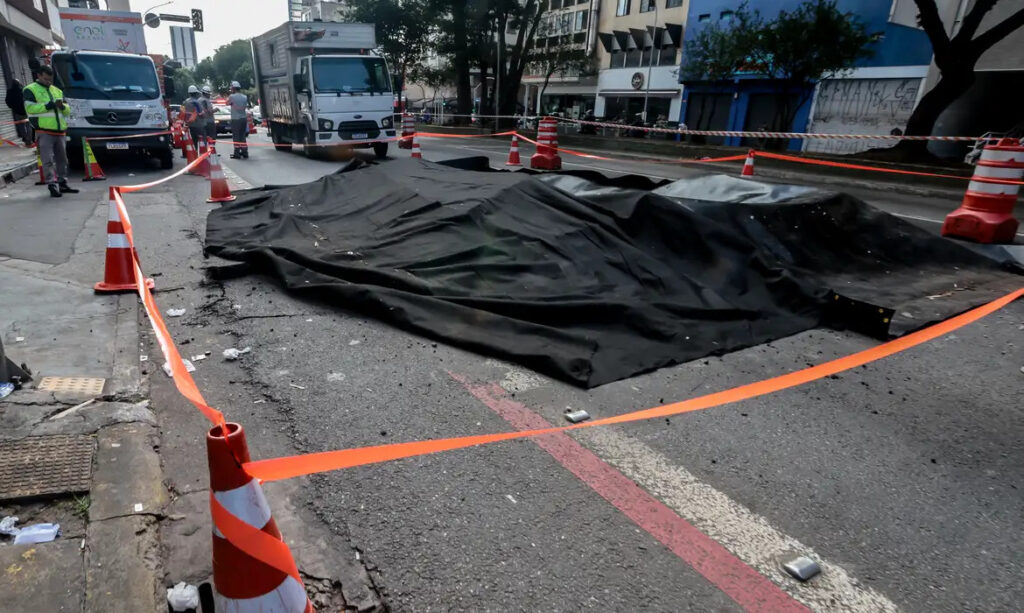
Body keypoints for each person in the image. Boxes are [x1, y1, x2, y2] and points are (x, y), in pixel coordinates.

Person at [22, 66, 78, 198]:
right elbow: (30, 108)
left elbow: (68, 110)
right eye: (46, 79)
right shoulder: (30, 89)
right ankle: (52, 184)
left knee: (62, 159)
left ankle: (62, 182)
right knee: (47, 160)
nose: (48, 81)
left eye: (50, 79)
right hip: (44, 130)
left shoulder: (57, 90)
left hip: (60, 131)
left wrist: (62, 106)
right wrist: (49, 105)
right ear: (39, 75)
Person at [5, 78, 34, 146]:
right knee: (28, 125)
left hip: (17, 112)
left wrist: (12, 107)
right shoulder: (23, 90)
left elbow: (7, 101)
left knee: (21, 126)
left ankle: (26, 139)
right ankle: (29, 139)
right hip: (26, 111)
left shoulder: (10, 91)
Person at [227, 81, 249, 159]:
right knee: (242, 136)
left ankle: (237, 153)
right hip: (243, 118)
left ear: (233, 88)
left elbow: (227, 103)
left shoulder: (232, 97)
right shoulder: (244, 97)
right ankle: (245, 152)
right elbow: (245, 106)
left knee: (236, 136)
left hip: (235, 119)